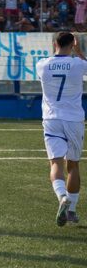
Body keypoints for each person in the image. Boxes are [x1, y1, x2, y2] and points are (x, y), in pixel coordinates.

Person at [35, 31, 87, 226]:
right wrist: (79, 51)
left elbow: (52, 60)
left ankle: (61, 196)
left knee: (55, 163)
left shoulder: (42, 64)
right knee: (73, 165)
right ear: (72, 44)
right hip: (73, 119)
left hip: (51, 119)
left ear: (55, 43)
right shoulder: (78, 64)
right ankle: (71, 210)